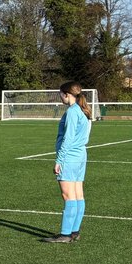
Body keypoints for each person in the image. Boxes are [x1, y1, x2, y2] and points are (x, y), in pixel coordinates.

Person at [42, 81, 92, 243]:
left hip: (70, 157)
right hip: (80, 156)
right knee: (78, 194)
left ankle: (65, 234)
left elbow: (68, 139)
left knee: (68, 195)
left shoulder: (72, 112)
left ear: (66, 94)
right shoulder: (83, 111)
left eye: (60, 93)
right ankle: (74, 231)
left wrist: (59, 160)